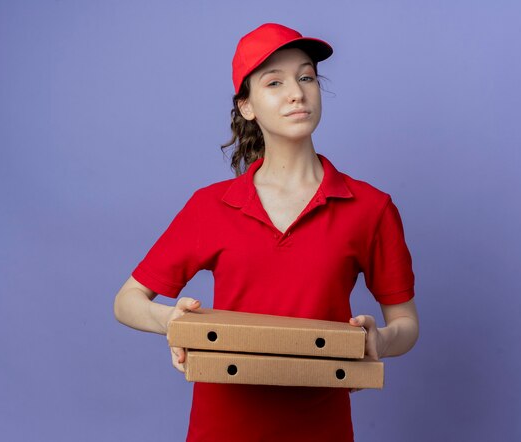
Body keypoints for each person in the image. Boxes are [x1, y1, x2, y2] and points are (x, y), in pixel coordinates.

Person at [114, 22, 419, 442]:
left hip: (321, 428)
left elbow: (405, 323)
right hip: (221, 428)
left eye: (306, 76)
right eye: (274, 82)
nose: (297, 92)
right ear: (247, 107)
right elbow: (127, 301)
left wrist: (379, 341)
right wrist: (172, 321)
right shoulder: (211, 206)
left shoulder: (370, 207)